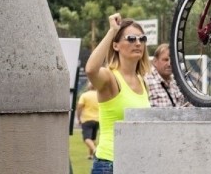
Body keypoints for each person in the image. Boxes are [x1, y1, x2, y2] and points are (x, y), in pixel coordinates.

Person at [85, 14, 151, 174]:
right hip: (110, 165)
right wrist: (112, 31)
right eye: (131, 38)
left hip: (136, 165)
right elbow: (91, 70)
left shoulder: (142, 81)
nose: (138, 43)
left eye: (142, 39)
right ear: (115, 45)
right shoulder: (110, 78)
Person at [143, 43, 186, 108]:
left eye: (172, 60)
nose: (169, 64)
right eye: (165, 60)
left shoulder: (176, 82)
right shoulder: (146, 81)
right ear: (155, 61)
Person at [75, 82, 100, 160]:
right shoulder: (99, 95)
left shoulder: (84, 95)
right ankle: (91, 155)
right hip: (97, 119)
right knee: (93, 138)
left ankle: (95, 150)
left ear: (88, 87)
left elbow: (79, 107)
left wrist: (78, 118)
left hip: (87, 119)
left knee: (86, 138)